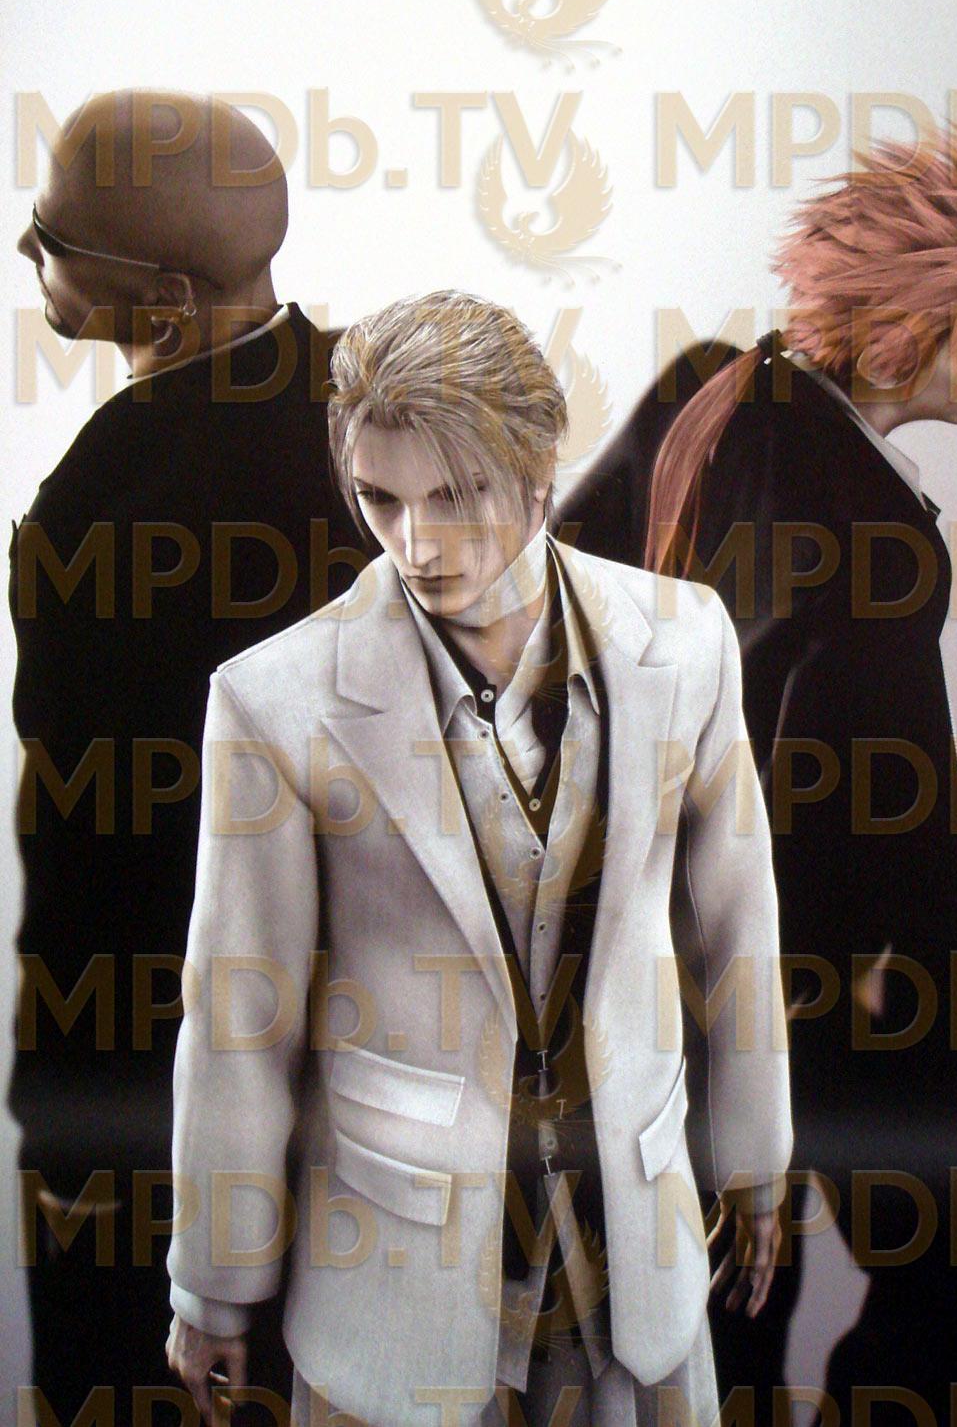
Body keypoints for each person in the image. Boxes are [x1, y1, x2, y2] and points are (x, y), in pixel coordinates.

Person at [164, 290, 793, 1427]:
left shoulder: (686, 640)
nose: (416, 544)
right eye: (381, 499)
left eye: (455, 496)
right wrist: (213, 1284)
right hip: (392, 1268)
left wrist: (754, 1157)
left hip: (629, 1244)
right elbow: (242, 1018)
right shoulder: (274, 703)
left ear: (540, 471)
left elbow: (736, 925)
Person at [558, 121, 957, 1425]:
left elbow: (555, 593)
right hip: (833, 978)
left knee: (733, 1300)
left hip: (657, 947)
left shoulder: (705, 392)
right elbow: (890, 782)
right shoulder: (882, 531)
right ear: (911, 326)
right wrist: (943, 960)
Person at [10, 89, 372, 1415]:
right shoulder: (386, 408)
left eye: (52, 241)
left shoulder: (97, 520)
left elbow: (91, 862)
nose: (27, 250)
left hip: (168, 1095)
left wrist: (66, 1135)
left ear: (162, 301)